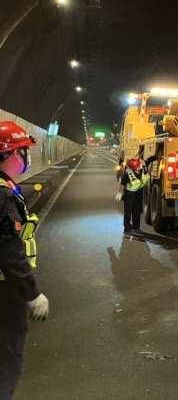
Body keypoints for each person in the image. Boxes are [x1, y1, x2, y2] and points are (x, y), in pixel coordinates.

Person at [0, 121, 49, 398]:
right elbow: (9, 250)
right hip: (6, 292)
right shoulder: (4, 195)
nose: (26, 158)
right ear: (8, 155)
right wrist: (33, 294)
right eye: (22, 151)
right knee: (7, 358)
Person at [115, 157, 148, 237]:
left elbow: (146, 172)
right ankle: (127, 229)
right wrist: (119, 193)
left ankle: (136, 228)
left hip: (138, 193)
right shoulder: (128, 173)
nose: (139, 168)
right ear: (134, 168)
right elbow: (122, 184)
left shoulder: (142, 170)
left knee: (137, 211)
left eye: (139, 166)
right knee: (128, 211)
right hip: (129, 194)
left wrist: (143, 164)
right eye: (138, 167)